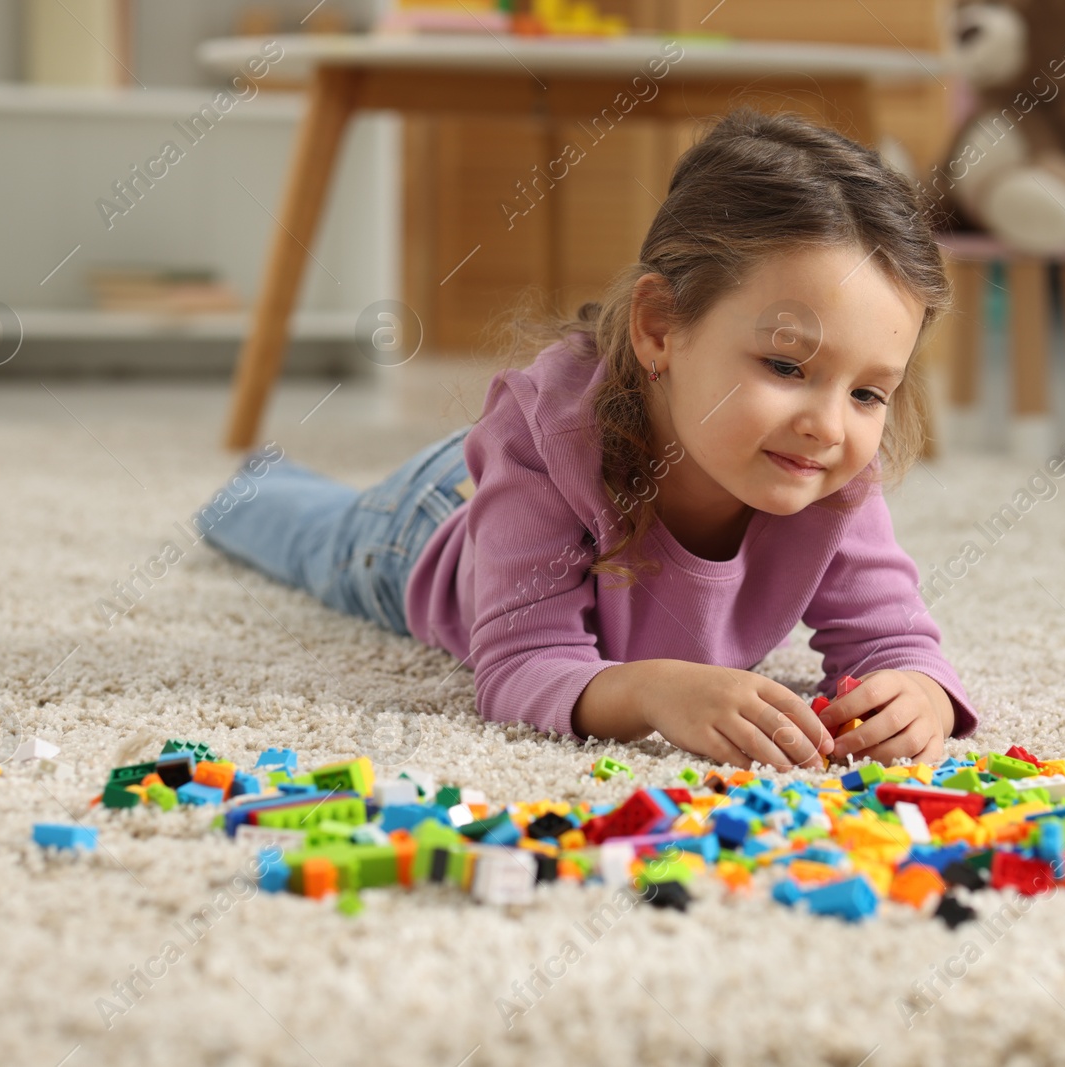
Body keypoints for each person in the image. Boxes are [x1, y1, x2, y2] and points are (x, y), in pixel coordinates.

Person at [200, 108, 977, 771]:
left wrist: (918, 693)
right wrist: (650, 688)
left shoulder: (823, 462)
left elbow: (895, 638)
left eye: (869, 391)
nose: (830, 422)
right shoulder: (552, 439)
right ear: (660, 326)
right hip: (425, 526)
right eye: (785, 363)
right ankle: (253, 484)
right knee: (312, 538)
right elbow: (517, 667)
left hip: (511, 477)